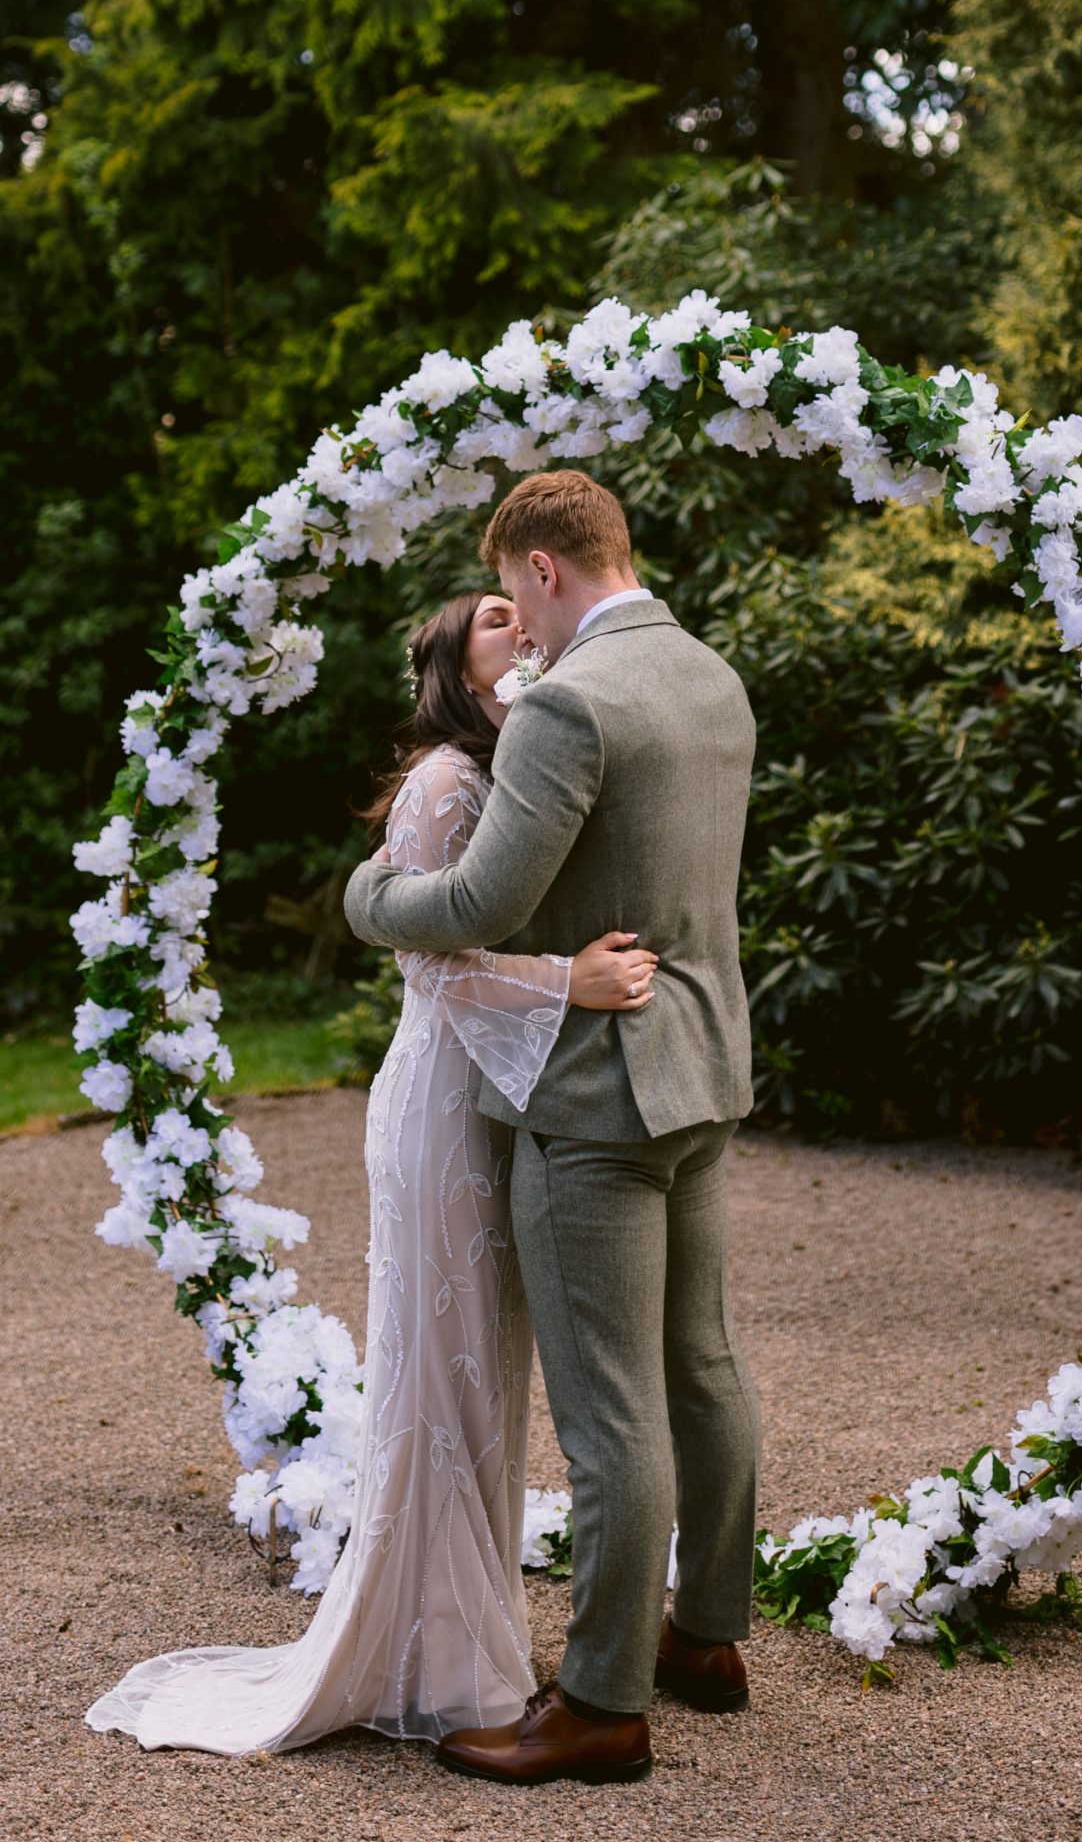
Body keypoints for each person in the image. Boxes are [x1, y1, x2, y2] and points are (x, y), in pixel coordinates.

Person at [85, 590, 658, 1755]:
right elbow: (436, 967)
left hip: (497, 1098)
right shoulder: (447, 777)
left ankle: (466, 1629)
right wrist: (568, 982)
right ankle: (436, 1657)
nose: (521, 626)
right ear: (454, 663)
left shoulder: (524, 767)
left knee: (485, 1374)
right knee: (441, 1375)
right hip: (438, 1107)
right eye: (497, 618)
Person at [343, 468, 763, 1787]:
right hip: (704, 1068)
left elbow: (475, 901)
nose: (515, 633)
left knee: (611, 1412)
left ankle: (598, 1705)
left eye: (514, 602)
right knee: (703, 1367)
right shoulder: (710, 676)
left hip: (594, 1091)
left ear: (539, 569)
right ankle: (706, 1639)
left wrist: (371, 895)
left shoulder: (570, 704)